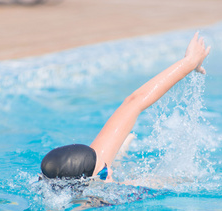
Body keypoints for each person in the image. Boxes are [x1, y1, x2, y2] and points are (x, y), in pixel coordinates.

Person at [40, 32, 211, 182]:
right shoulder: (102, 206)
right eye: (104, 172)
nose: (109, 172)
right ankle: (120, 156)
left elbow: (134, 101)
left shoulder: (85, 176)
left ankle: (119, 155)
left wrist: (189, 62)